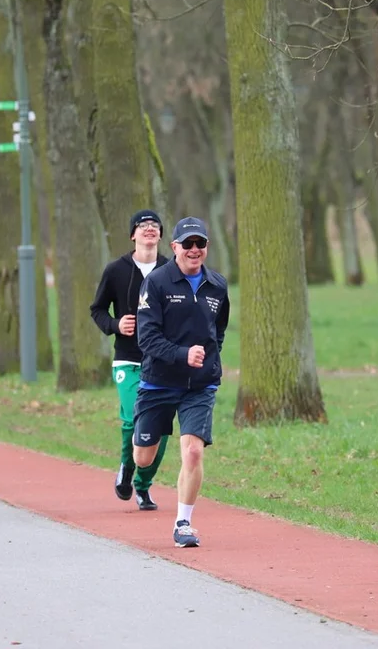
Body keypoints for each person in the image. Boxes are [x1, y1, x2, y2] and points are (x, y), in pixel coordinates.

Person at [133, 216, 230, 548]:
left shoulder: (218, 285)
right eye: (186, 244)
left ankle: (183, 523)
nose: (193, 250)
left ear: (207, 247)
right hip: (158, 382)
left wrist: (209, 361)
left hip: (200, 386)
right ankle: (138, 475)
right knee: (143, 456)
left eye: (199, 243)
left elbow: (219, 330)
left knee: (192, 453)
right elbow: (147, 339)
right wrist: (182, 354)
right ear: (173, 247)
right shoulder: (158, 283)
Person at [90, 210, 171, 510]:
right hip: (128, 359)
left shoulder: (170, 269)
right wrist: (115, 325)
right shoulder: (116, 270)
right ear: (133, 234)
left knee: (161, 428)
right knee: (132, 418)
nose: (149, 229)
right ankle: (127, 466)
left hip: (163, 363)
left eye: (155, 226)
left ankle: (143, 486)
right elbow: (97, 309)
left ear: (161, 235)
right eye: (143, 225)